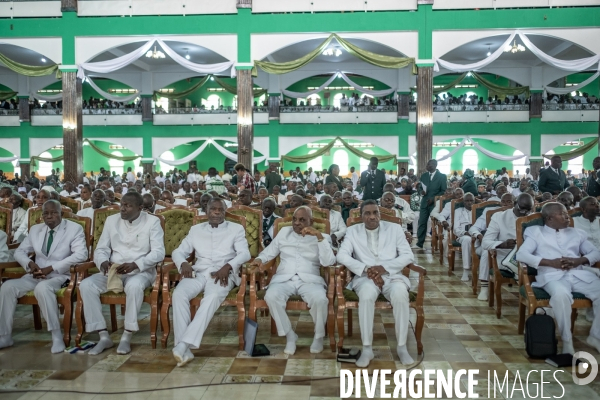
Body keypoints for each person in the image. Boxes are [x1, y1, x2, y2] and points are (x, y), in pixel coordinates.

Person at [80, 192, 165, 356]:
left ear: (140, 208)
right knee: (86, 285)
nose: (123, 209)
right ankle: (103, 336)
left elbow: (158, 253)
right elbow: (101, 248)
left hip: (141, 270)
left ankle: (127, 336)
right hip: (114, 270)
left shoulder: (152, 222)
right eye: (122, 204)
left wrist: (135, 264)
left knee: (134, 286)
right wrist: (102, 262)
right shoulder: (112, 220)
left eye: (128, 205)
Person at [170, 198, 250, 366]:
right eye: (212, 209)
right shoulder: (195, 230)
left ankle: (182, 344)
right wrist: (183, 263)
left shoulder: (236, 229)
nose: (216, 212)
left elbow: (244, 254)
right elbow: (178, 251)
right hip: (199, 272)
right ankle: (185, 348)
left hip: (222, 275)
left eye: (220, 209)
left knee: (212, 297)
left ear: (225, 211)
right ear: (206, 211)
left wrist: (228, 266)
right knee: (178, 294)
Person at [0, 200, 87, 352]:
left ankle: (56, 336)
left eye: (54, 212)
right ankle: (5, 336)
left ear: (61, 213)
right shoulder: (35, 230)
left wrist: (52, 268)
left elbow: (81, 254)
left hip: (61, 276)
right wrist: (29, 264)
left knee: (42, 288)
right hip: (36, 275)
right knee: (7, 287)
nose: (49, 216)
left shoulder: (74, 229)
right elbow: (20, 251)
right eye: (46, 213)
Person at [336, 200, 415, 367]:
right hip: (365, 277)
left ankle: (402, 347)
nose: (372, 217)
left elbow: (408, 256)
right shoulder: (352, 231)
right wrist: (366, 269)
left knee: (401, 295)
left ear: (379, 214)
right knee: (365, 296)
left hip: (392, 276)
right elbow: (341, 256)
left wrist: (383, 268)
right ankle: (367, 348)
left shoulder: (395, 229)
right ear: (361, 216)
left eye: (375, 213)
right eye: (368, 213)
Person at [516, 202, 600, 355]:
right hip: (551, 276)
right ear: (549, 218)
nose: (567, 216)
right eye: (562, 214)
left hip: (578, 274)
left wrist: (578, 261)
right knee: (561, 295)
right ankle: (567, 341)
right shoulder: (536, 232)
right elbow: (521, 255)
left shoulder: (577, 233)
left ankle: (596, 336)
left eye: (566, 213)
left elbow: (595, 253)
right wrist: (550, 262)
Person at [249, 206, 335, 355]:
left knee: (320, 300)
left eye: (302, 220)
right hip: (284, 278)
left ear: (311, 221)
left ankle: (319, 336)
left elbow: (328, 262)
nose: (297, 223)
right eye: (295, 219)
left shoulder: (322, 237)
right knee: (271, 296)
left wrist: (319, 238)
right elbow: (269, 252)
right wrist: (258, 259)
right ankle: (290, 335)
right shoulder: (284, 232)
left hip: (310, 279)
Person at [478, 193, 533, 300]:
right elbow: (485, 242)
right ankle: (484, 288)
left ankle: (536, 299)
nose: (525, 212)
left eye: (528, 209)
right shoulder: (499, 217)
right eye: (522, 209)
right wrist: (503, 244)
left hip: (526, 256)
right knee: (487, 251)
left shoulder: (533, 218)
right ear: (515, 204)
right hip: (503, 255)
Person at [416, 160, 447, 249]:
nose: (427, 166)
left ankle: (434, 242)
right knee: (421, 222)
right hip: (424, 202)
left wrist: (434, 199)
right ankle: (420, 242)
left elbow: (443, 191)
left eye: (429, 164)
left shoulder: (441, 176)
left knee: (435, 223)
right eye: (427, 164)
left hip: (435, 204)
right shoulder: (424, 176)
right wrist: (420, 191)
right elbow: (420, 187)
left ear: (435, 165)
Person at [453, 193, 475, 281]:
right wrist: (465, 233)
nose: (469, 203)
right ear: (463, 202)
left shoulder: (479, 210)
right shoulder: (458, 211)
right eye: (467, 201)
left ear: (474, 201)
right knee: (467, 240)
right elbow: (455, 229)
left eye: (471, 201)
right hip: (463, 235)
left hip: (477, 235)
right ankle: (466, 270)